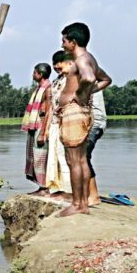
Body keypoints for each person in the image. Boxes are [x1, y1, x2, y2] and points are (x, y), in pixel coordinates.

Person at [57, 22, 112, 217]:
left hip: (75, 112)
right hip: (79, 112)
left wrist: (79, 94)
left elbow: (89, 78)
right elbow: (106, 79)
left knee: (74, 160)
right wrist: (88, 92)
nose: (62, 44)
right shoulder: (89, 58)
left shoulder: (81, 60)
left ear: (73, 41)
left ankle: (78, 203)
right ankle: (82, 203)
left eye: (64, 40)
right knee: (80, 160)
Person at [21, 63, 52, 196]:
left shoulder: (47, 89)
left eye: (34, 73)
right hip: (35, 127)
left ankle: (44, 188)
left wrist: (43, 133)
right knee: (34, 157)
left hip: (40, 126)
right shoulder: (39, 88)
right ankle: (41, 187)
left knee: (41, 157)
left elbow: (48, 111)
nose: (33, 75)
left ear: (40, 74)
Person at [45, 51, 72, 198]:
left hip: (67, 122)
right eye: (54, 64)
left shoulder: (72, 79)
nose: (56, 66)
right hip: (55, 122)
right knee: (54, 156)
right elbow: (51, 105)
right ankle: (57, 188)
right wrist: (48, 128)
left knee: (64, 156)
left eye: (58, 63)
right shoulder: (57, 81)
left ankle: (69, 190)